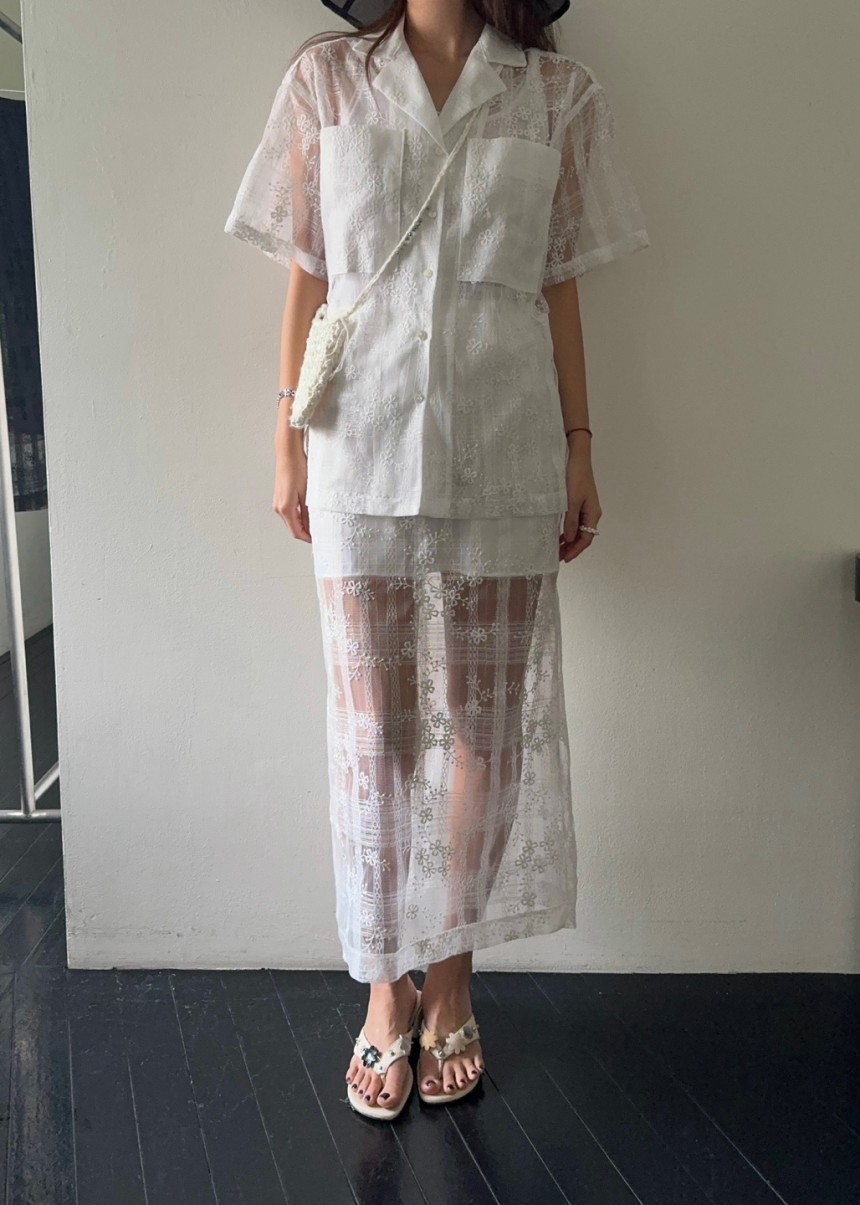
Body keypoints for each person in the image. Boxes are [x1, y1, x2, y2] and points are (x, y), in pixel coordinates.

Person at [224, 0, 650, 1120]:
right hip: (357, 445)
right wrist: (284, 437)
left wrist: (580, 444)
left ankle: (450, 975)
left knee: (484, 727)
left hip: (501, 444)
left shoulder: (555, 95)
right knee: (377, 729)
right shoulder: (327, 82)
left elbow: (558, 280)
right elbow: (309, 269)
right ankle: (383, 986)